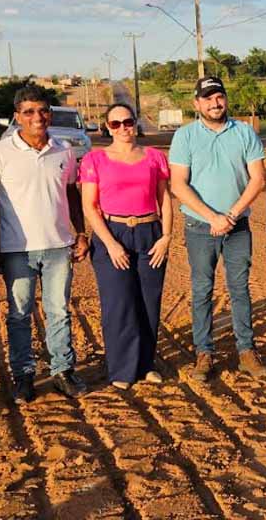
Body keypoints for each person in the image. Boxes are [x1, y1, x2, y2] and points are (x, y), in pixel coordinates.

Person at [0, 88, 88, 403]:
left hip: (58, 247)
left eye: (42, 110)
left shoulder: (64, 150)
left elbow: (72, 194)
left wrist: (80, 233)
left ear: (49, 113)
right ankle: (24, 376)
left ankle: (62, 371)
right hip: (16, 250)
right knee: (19, 314)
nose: (37, 117)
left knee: (58, 311)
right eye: (28, 112)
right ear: (17, 116)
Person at [168, 76, 266, 379]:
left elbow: (257, 179)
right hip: (200, 226)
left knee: (239, 288)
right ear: (197, 103)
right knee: (202, 289)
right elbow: (178, 185)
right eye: (208, 98)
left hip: (237, 227)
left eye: (219, 96)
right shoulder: (184, 136)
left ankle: (246, 351)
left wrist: (232, 215)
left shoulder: (245, 133)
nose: (215, 102)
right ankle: (204, 352)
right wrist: (213, 217)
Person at [80, 103, 172, 390]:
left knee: (148, 302)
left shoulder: (155, 157)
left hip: (149, 231)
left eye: (128, 122)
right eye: (115, 124)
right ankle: (122, 368)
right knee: (119, 304)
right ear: (107, 127)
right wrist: (110, 244)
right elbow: (89, 206)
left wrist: (166, 236)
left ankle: (146, 365)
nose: (123, 128)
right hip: (112, 232)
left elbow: (165, 199)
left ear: (136, 123)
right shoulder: (95, 160)